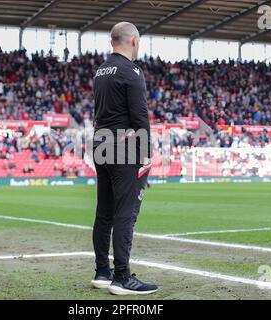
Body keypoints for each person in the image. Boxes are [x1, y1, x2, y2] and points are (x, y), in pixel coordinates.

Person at [91, 22, 157, 295]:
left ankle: (102, 272)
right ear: (133, 41)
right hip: (123, 146)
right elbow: (140, 115)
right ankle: (122, 277)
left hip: (100, 143)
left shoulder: (101, 71)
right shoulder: (132, 72)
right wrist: (146, 151)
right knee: (125, 214)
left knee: (104, 212)